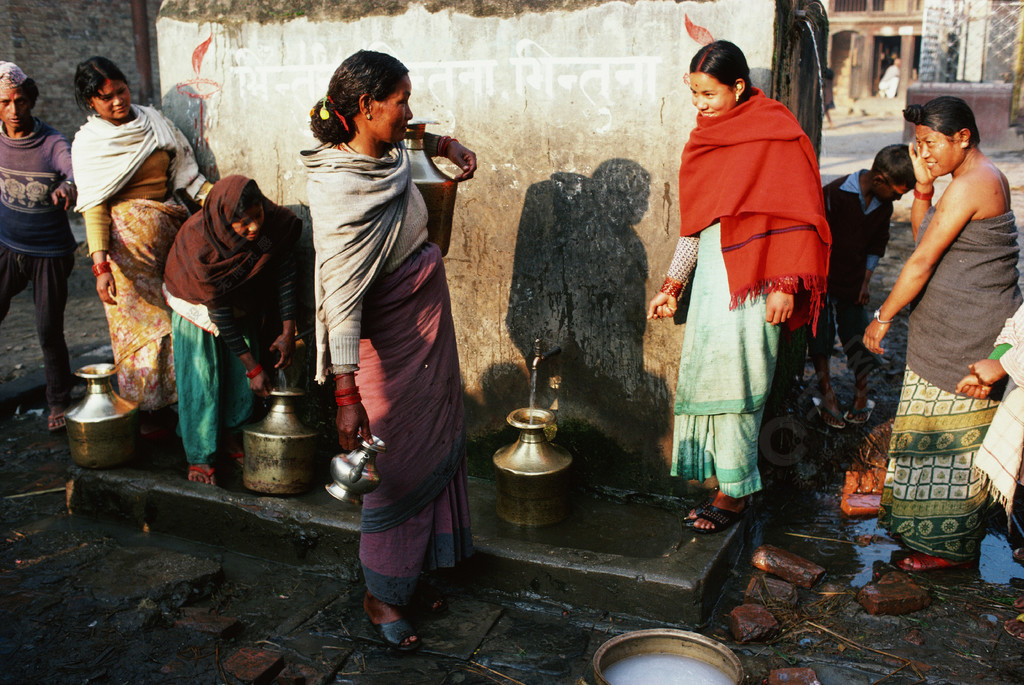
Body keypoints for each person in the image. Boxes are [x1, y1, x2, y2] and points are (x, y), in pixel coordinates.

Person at [301, 50, 478, 652]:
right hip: (390, 347)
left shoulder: (389, 152)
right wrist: (346, 397)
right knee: (396, 468)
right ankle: (381, 594)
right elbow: (340, 301)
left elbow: (416, 137)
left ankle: (413, 575)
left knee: (434, 448)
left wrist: (447, 145)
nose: (407, 110)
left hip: (429, 327)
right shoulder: (339, 188)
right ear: (364, 108)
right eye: (399, 101)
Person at [647, 41, 830, 534]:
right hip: (713, 281)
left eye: (708, 93)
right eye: (694, 94)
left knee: (742, 382)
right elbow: (697, 224)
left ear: (739, 86)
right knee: (709, 375)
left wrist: (786, 284)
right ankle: (719, 480)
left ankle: (736, 494)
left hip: (758, 282)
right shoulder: (705, 140)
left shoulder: (777, 132)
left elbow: (798, 215)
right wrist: (674, 284)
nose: (700, 104)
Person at [863, 96, 1020, 572]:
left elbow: (922, 260)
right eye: (919, 145)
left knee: (953, 449)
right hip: (943, 333)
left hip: (969, 336)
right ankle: (923, 535)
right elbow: (926, 237)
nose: (924, 154)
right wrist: (926, 190)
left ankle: (948, 550)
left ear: (963, 138)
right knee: (928, 439)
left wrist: (883, 315)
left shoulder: (978, 181)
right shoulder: (961, 181)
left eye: (931, 144)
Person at [71, 56, 212, 435]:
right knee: (141, 334)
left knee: (179, 322)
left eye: (120, 91)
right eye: (105, 98)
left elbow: (187, 176)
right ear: (91, 103)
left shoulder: (155, 123)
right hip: (125, 258)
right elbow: (94, 207)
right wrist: (100, 267)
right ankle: (148, 413)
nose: (117, 101)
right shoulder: (89, 144)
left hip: (168, 240)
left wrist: (224, 201)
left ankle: (185, 406)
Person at [162, 176, 300, 485]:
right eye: (242, 223)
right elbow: (218, 310)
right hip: (197, 303)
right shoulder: (202, 247)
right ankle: (200, 454)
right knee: (204, 377)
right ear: (226, 221)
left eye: (258, 215)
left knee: (239, 380)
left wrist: (288, 329)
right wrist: (253, 369)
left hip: (239, 299)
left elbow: (282, 264)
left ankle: (230, 436)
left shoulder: (266, 233)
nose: (254, 228)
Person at [809, 145, 914, 429]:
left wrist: (865, 282)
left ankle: (861, 391)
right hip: (822, 277)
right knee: (821, 332)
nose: (899, 198)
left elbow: (875, 245)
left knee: (858, 330)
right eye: (897, 192)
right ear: (879, 180)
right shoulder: (834, 194)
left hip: (854, 279)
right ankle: (827, 391)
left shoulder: (884, 205)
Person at [0, 62, 77, 432]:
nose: (13, 110)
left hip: (50, 252)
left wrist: (68, 185)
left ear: (31, 101)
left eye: (20, 101)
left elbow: (72, 165)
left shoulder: (50, 142)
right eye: (5, 102)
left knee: (48, 330)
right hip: (6, 246)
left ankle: (59, 400)